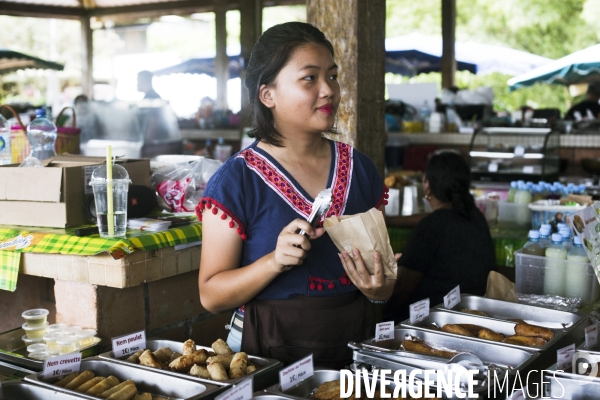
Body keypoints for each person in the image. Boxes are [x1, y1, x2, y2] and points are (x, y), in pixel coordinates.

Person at [196, 22, 397, 368]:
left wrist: (379, 289)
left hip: (354, 347)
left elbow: (386, 278)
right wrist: (274, 261)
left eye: (332, 76)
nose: (328, 90)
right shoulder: (237, 180)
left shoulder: (360, 171)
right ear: (267, 95)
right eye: (310, 78)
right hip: (266, 353)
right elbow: (211, 295)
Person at [383, 151, 495, 323]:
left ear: (427, 186)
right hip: (475, 313)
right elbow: (436, 218)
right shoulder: (474, 216)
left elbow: (402, 289)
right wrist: (389, 220)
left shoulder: (431, 227)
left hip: (434, 319)